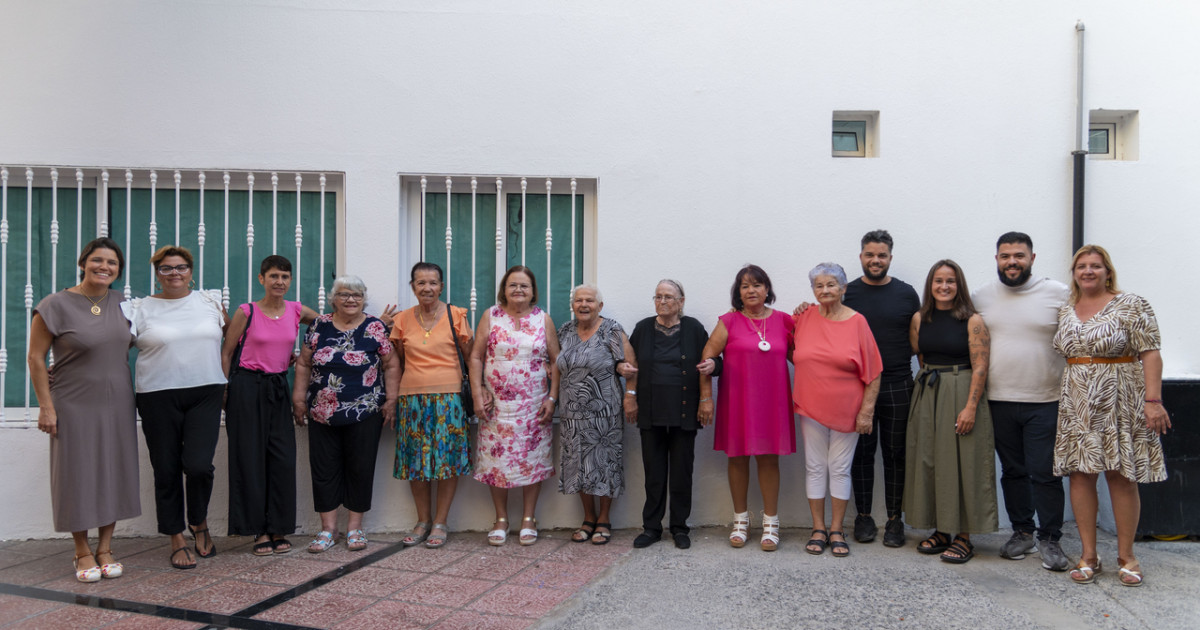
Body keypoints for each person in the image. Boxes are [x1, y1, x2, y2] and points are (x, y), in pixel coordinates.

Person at [1054, 245, 1169, 588]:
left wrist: (1153, 400)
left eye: (1095, 266)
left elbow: (1150, 354)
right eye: (1081, 266)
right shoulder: (1066, 310)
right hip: (1077, 400)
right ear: (1074, 273)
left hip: (1121, 397)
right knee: (1080, 475)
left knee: (1121, 475)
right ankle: (1089, 556)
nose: (1088, 271)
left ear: (1108, 271)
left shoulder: (1132, 304)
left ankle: (1126, 556)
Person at [28, 237, 140, 582]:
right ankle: (81, 550)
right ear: (83, 262)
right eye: (97, 260)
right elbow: (35, 358)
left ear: (118, 270)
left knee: (113, 470)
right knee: (76, 474)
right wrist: (46, 407)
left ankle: (105, 548)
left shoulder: (124, 305)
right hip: (72, 403)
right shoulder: (55, 305)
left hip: (118, 400)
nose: (104, 267)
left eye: (112, 263)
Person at [123, 246, 227, 570]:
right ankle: (176, 536)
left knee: (198, 466)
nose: (174, 274)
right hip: (157, 394)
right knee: (166, 469)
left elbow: (236, 340)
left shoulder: (210, 302)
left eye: (180, 267)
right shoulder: (138, 309)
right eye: (166, 269)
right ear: (157, 274)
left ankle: (199, 521)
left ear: (191, 271)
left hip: (206, 391)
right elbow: (108, 348)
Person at [972, 232, 1071, 570]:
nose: (1011, 262)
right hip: (997, 400)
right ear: (996, 258)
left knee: (1045, 473)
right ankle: (1022, 533)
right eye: (1005, 256)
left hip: (1047, 399)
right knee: (1013, 471)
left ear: (1032, 257)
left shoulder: (1059, 293)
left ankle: (1050, 538)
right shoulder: (982, 296)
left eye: (1018, 255)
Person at [293, 275, 399, 553]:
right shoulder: (319, 325)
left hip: (365, 410)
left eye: (356, 295)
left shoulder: (375, 327)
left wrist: (391, 400)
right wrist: (298, 398)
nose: (350, 299)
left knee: (360, 468)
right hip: (321, 412)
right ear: (333, 299)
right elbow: (303, 363)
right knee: (323, 469)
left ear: (364, 299)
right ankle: (328, 529)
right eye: (344, 294)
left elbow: (391, 365)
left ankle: (354, 528)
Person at [221, 255, 318, 556]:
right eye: (274, 276)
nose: (280, 282)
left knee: (282, 458)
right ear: (261, 279)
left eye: (285, 277)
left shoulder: (296, 310)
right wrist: (223, 391)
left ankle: (278, 526)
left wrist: (301, 356)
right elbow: (226, 353)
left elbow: (327, 325)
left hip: (278, 386)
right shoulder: (246, 311)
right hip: (246, 386)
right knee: (249, 458)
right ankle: (257, 530)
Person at [904, 260, 997, 564]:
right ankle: (942, 530)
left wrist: (970, 406)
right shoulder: (920, 318)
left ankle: (965, 536)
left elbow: (981, 365)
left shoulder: (972, 320)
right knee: (930, 459)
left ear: (960, 286)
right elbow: (920, 353)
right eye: (938, 281)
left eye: (951, 281)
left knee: (964, 461)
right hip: (929, 390)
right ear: (930, 285)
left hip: (961, 390)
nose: (944, 286)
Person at [700, 264, 795, 551]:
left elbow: (803, 357)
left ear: (767, 289)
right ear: (737, 293)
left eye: (757, 284)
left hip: (772, 401)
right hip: (737, 400)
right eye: (745, 286)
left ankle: (770, 522)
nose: (751, 290)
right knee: (737, 458)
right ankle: (740, 520)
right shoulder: (728, 321)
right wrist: (706, 397)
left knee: (769, 459)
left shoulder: (784, 321)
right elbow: (708, 356)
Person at [792, 263, 883, 558]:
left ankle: (836, 529)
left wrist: (866, 411)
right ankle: (818, 528)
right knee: (815, 466)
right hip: (810, 405)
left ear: (843, 289)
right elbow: (794, 352)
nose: (825, 290)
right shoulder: (803, 317)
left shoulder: (858, 322)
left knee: (840, 468)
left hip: (848, 409)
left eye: (831, 284)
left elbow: (874, 371)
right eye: (819, 286)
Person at [469, 265, 561, 546]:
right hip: (495, 406)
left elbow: (557, 361)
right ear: (504, 289)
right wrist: (476, 393)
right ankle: (501, 519)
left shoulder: (543, 319)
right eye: (513, 285)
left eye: (524, 285)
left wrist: (552, 398)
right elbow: (475, 357)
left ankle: (529, 519)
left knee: (532, 460)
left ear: (533, 291)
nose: (518, 290)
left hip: (534, 405)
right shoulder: (491, 315)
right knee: (497, 461)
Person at [842, 230, 920, 547]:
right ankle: (863, 518)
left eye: (882, 255)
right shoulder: (848, 293)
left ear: (890, 257)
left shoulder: (907, 294)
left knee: (896, 455)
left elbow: (917, 340)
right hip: (856, 387)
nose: (876, 260)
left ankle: (894, 520)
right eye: (870, 255)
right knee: (861, 454)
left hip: (898, 383)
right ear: (861, 256)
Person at [628, 280, 718, 550]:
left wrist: (715, 366)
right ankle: (652, 527)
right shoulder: (643, 328)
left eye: (669, 297)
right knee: (654, 472)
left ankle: (679, 527)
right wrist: (629, 394)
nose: (663, 301)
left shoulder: (693, 328)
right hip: (651, 410)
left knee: (681, 471)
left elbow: (711, 360)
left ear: (681, 301)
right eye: (658, 296)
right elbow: (628, 364)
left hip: (684, 410)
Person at [390, 262, 473, 549]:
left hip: (449, 399)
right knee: (416, 464)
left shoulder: (456, 315)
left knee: (447, 463)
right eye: (421, 283)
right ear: (413, 287)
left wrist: (481, 389)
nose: (427, 288)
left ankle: (440, 522)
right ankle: (422, 521)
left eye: (433, 283)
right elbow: (397, 361)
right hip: (412, 400)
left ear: (442, 286)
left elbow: (470, 356)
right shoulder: (401, 320)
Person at [556, 284, 635, 545]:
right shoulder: (565, 332)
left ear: (599, 306)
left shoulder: (612, 329)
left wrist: (629, 396)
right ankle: (587, 517)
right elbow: (556, 366)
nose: (583, 305)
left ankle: (603, 519)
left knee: (603, 465)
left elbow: (631, 366)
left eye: (589, 300)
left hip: (605, 412)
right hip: (570, 413)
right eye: (579, 300)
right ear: (573, 305)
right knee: (577, 465)